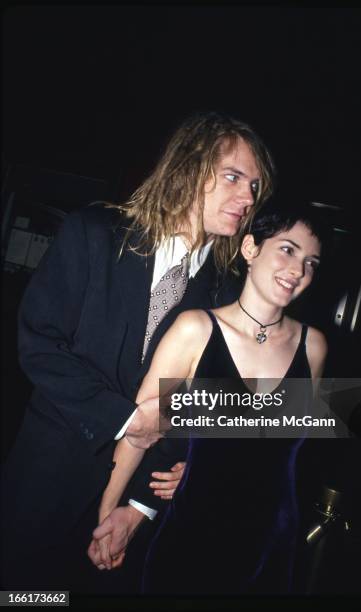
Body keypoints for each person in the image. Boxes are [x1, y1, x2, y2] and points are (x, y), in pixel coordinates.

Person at [0, 111, 275, 591]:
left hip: (134, 502)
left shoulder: (229, 291)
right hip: (48, 477)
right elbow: (38, 344)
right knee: (24, 595)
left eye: (254, 186)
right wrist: (126, 419)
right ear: (188, 166)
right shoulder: (94, 232)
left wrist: (150, 500)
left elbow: (211, 404)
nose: (247, 197)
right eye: (234, 176)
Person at [89, 203, 329, 594]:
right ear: (250, 248)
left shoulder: (314, 346)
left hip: (273, 540)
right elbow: (141, 432)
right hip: (191, 532)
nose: (298, 270)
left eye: (311, 262)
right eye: (287, 249)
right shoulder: (194, 330)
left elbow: (283, 447)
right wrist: (107, 515)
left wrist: (212, 457)